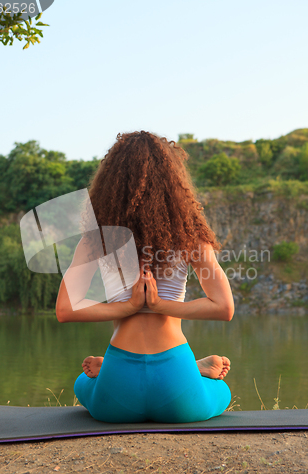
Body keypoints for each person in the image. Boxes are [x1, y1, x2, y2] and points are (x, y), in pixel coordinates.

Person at [55, 131, 234, 423]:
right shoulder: (190, 239)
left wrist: (127, 307)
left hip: (117, 391)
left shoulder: (96, 240)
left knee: (82, 383)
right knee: (221, 390)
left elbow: (65, 309)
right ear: (173, 183)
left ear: (110, 183)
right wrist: (162, 305)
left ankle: (107, 370)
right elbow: (224, 308)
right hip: (178, 385)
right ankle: (194, 368)